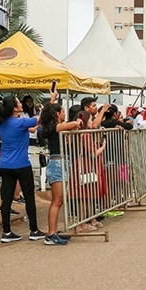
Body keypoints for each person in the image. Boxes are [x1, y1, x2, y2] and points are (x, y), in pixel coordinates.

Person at [0, 95, 44, 244]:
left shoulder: (1, 123)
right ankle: (34, 230)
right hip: (21, 164)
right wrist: (50, 102)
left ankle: (6, 232)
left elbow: (31, 127)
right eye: (18, 102)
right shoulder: (20, 122)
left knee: (7, 199)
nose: (21, 103)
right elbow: (38, 118)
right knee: (29, 197)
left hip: (5, 165)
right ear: (15, 108)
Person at [39, 98, 82, 245]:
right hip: (57, 164)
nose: (64, 114)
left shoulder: (56, 128)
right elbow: (72, 124)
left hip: (62, 162)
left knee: (59, 200)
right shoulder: (55, 127)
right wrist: (76, 123)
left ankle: (54, 231)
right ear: (57, 114)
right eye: (63, 112)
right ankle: (51, 234)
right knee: (56, 201)